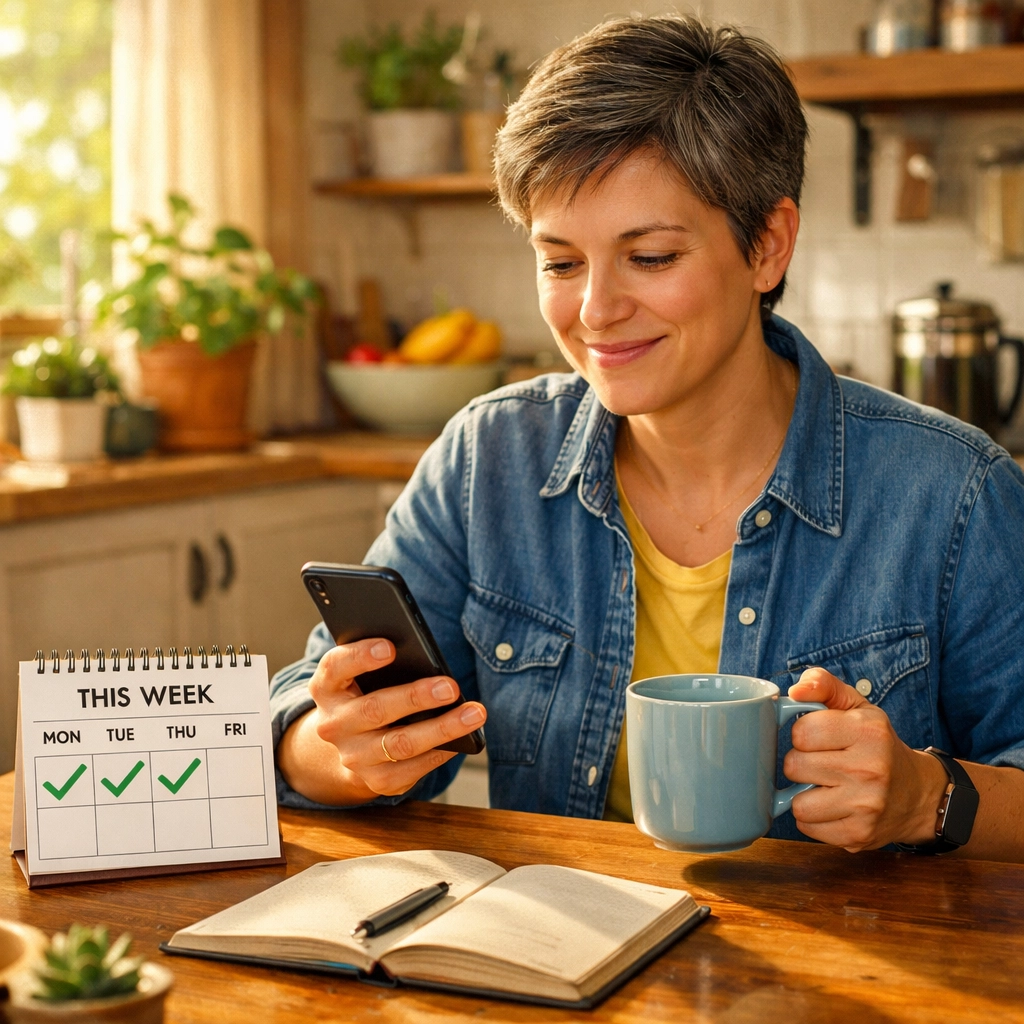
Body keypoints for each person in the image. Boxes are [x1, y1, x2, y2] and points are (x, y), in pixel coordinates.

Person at [273, 15, 1024, 860]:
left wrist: (929, 796)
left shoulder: (954, 493)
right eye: (560, 262)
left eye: (652, 257)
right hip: (552, 963)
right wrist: (338, 747)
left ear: (768, 246)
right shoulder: (489, 460)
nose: (594, 311)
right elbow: (306, 714)